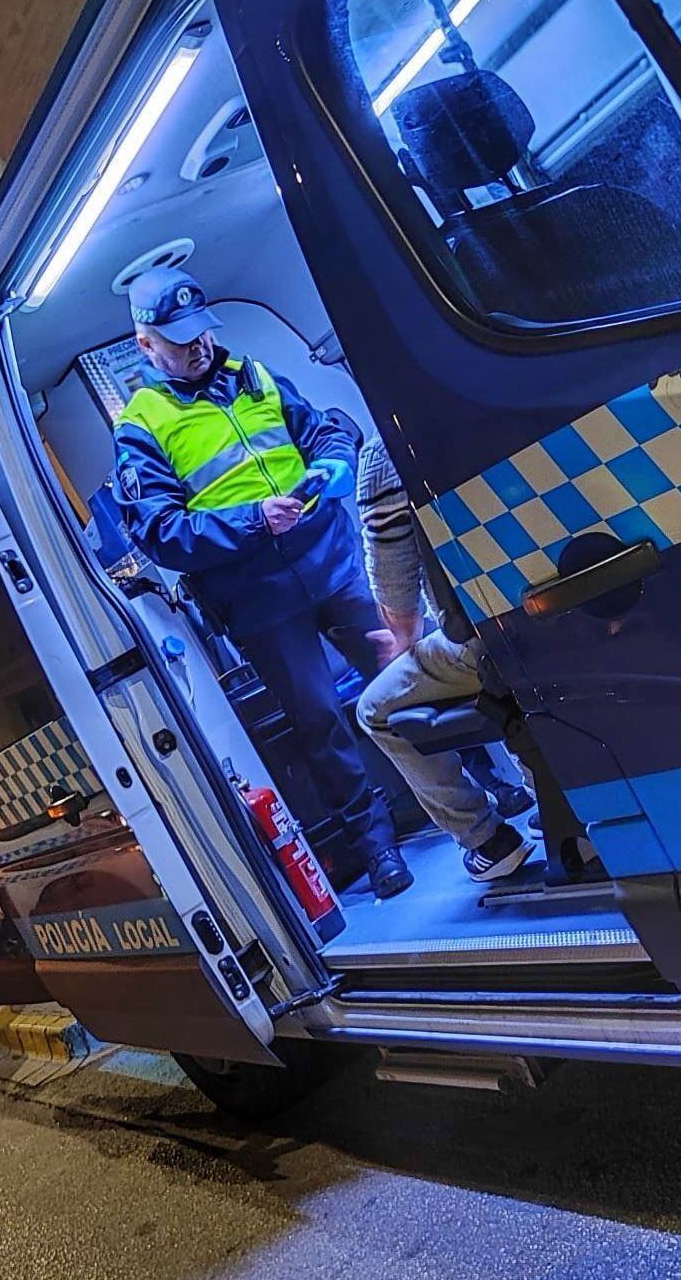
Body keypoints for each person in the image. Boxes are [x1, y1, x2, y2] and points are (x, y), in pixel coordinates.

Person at [107, 267, 412, 899]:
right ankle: (376, 846)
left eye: (202, 332)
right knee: (320, 720)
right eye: (179, 338)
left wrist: (331, 461)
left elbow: (325, 427)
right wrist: (253, 520)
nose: (198, 346)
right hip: (260, 599)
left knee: (407, 664)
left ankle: (482, 780)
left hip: (331, 559)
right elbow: (161, 532)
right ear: (145, 345)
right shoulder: (143, 425)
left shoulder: (255, 376)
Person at [354, 446, 534, 882]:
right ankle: (560, 800)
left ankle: (486, 840)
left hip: (491, 635)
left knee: (374, 710)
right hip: (576, 601)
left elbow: (400, 601)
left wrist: (401, 641)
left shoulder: (385, 453)